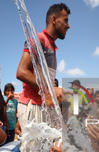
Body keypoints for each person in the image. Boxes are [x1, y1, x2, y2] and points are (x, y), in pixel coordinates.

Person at [16, 3, 70, 131]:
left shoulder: (51, 46)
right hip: (33, 105)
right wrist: (52, 88)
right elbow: (21, 72)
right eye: (65, 20)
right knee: (35, 151)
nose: (68, 25)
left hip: (45, 106)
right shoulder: (39, 38)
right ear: (54, 20)